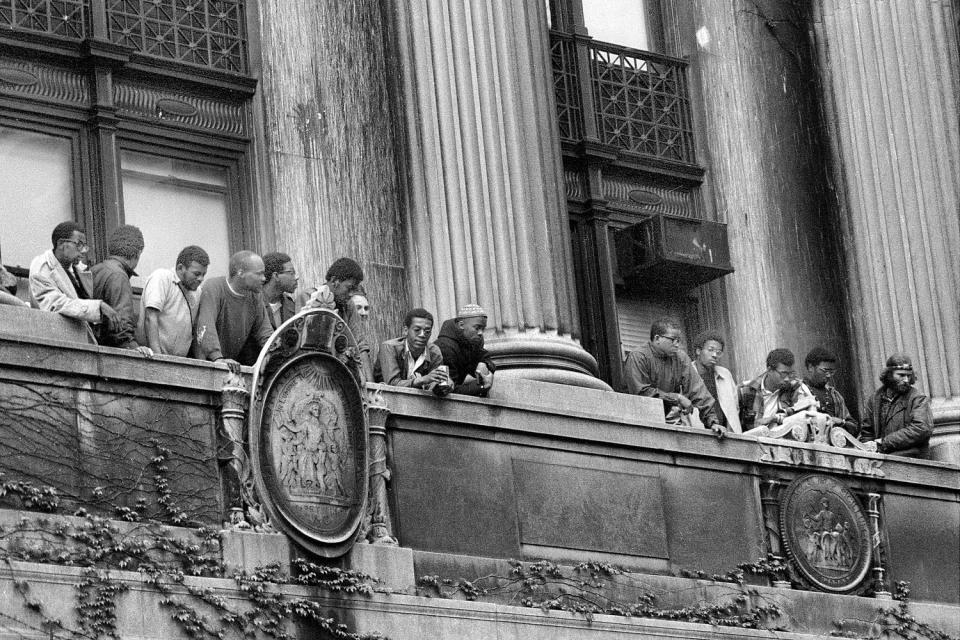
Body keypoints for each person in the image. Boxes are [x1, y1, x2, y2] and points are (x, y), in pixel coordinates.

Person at [623, 319, 723, 436]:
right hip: (638, 425)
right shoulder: (638, 356)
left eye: (679, 341)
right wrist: (677, 398)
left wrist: (713, 422)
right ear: (657, 338)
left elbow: (698, 391)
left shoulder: (680, 357)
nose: (677, 344)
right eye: (672, 340)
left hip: (670, 423)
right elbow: (640, 392)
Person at [29, 221, 119, 340]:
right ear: (61, 243)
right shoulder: (42, 268)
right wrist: (98, 306)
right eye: (79, 245)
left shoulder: (76, 270)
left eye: (84, 246)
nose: (83, 251)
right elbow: (55, 304)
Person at [195, 250, 273, 372]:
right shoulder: (214, 287)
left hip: (229, 365)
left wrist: (273, 354)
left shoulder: (255, 295)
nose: (264, 278)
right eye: (259, 274)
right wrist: (218, 358)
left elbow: (264, 332)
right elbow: (206, 325)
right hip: (204, 366)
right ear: (240, 272)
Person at [137, 245, 209, 357]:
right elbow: (150, 317)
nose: (201, 279)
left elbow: (196, 331)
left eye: (203, 274)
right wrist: (159, 358)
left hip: (178, 362)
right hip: (152, 358)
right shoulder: (162, 277)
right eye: (196, 274)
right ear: (180, 268)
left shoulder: (198, 291)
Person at [91, 225, 151, 353]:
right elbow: (121, 327)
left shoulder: (95, 270)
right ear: (138, 252)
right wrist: (133, 347)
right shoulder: (119, 276)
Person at [860, 354, 933, 456]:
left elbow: (920, 429)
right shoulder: (875, 399)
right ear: (889, 375)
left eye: (908, 375)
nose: (906, 380)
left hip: (912, 459)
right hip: (881, 459)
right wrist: (867, 450)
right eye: (901, 375)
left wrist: (883, 443)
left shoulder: (917, 398)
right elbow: (867, 432)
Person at [739, 348, 816, 431]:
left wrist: (776, 418)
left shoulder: (796, 387)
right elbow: (733, 425)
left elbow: (811, 415)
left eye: (790, 374)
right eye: (783, 374)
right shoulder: (744, 390)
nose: (787, 379)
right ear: (769, 370)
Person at [375, 308, 450, 393]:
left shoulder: (434, 352)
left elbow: (434, 383)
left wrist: (443, 385)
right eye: (417, 330)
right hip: (384, 399)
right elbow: (392, 384)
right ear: (406, 330)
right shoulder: (389, 348)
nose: (422, 335)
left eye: (427, 331)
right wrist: (421, 380)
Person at [435, 303, 495, 396]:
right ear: (461, 325)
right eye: (477, 328)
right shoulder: (445, 347)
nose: (480, 333)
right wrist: (481, 386)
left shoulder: (473, 340)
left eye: (483, 329)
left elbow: (485, 357)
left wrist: (484, 364)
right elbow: (449, 390)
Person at [689, 330, 741, 433]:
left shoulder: (725, 374)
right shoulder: (687, 373)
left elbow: (735, 407)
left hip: (725, 434)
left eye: (718, 352)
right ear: (698, 351)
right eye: (710, 350)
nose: (714, 355)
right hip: (698, 434)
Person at [803, 347, 858, 435]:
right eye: (825, 370)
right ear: (810, 367)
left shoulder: (835, 396)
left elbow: (854, 427)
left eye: (832, 372)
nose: (828, 375)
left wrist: (841, 422)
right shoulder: (798, 390)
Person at [261, 251, 299, 329]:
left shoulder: (290, 305)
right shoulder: (254, 304)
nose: (296, 277)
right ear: (276, 276)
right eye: (291, 273)